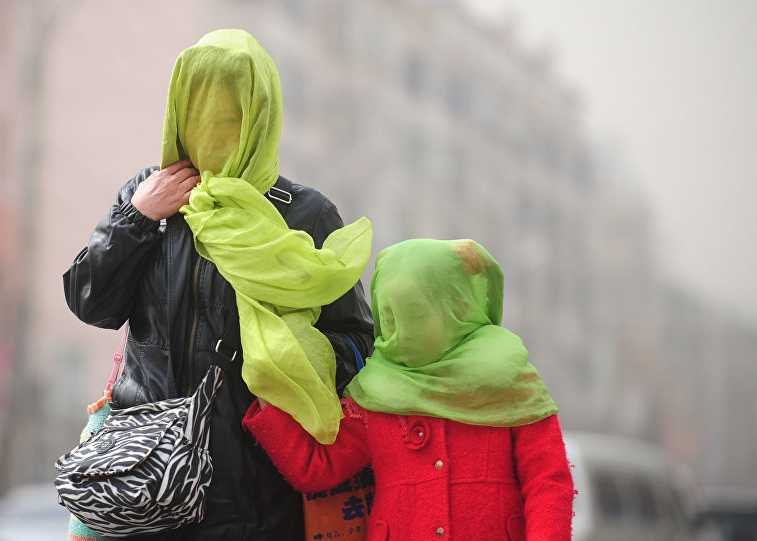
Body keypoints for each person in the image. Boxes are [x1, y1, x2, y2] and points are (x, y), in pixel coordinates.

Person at [63, 29, 374, 540]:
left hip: (257, 493)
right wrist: (137, 217)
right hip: (149, 484)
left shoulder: (303, 215)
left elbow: (359, 342)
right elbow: (89, 301)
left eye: (231, 109)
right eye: (199, 103)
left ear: (260, 113)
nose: (212, 124)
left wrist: (287, 364)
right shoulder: (150, 197)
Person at [244, 239, 574, 540]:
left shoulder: (507, 379)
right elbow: (317, 467)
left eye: (414, 313)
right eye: (388, 316)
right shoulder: (376, 392)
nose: (399, 330)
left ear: (454, 308)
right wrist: (269, 389)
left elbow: (548, 481)